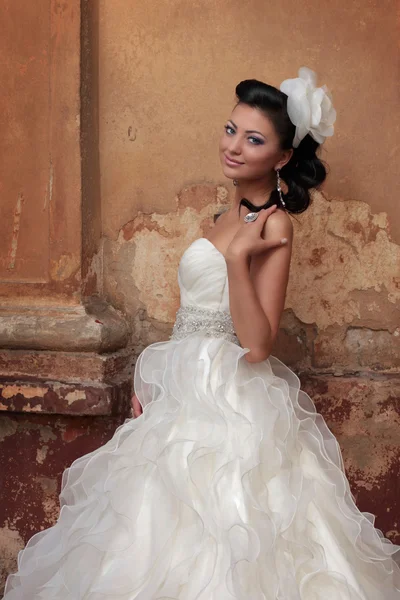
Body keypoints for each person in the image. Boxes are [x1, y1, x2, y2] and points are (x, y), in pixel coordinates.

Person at [4, 68, 400, 599]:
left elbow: (258, 345)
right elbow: (193, 313)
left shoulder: (275, 224)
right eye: (231, 129)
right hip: (182, 392)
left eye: (253, 139)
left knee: (225, 534)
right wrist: (159, 380)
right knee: (147, 533)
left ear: (282, 157)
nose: (234, 146)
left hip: (230, 398)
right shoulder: (225, 211)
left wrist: (238, 261)